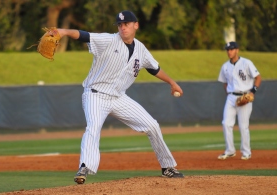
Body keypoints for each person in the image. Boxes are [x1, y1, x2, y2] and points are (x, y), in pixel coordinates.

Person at [56, 10, 184, 184]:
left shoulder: (140, 48)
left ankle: (167, 167)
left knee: (152, 125)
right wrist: (63, 32)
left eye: (126, 24)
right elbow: (83, 35)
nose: (122, 27)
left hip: (118, 98)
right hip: (96, 95)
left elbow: (154, 68)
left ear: (135, 25)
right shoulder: (108, 40)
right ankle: (85, 166)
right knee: (93, 128)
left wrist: (172, 82)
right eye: (120, 25)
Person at [217, 41, 261, 160]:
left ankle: (246, 152)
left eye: (231, 49)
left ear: (237, 50)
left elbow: (258, 77)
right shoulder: (225, 66)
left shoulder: (246, 63)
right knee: (226, 123)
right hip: (231, 97)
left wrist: (252, 92)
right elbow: (224, 83)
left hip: (245, 96)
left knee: (243, 126)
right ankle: (230, 150)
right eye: (227, 50)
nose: (229, 52)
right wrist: (229, 94)